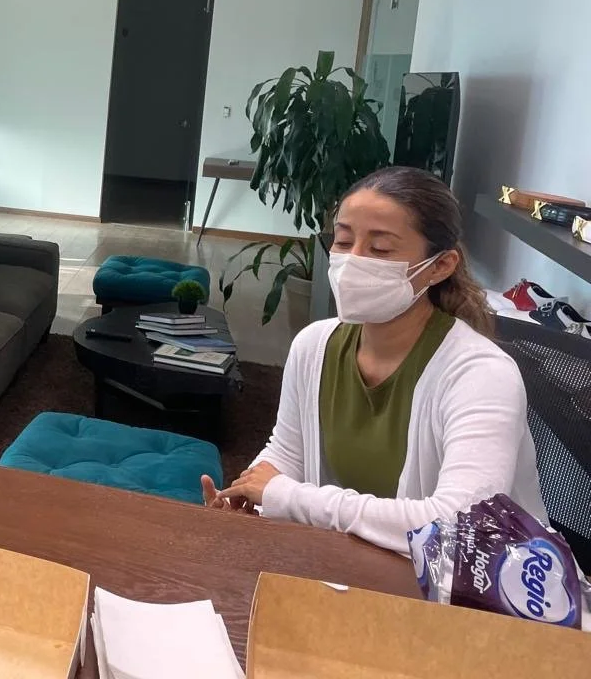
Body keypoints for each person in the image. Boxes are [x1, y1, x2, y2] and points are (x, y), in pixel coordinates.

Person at [202, 166, 546, 553]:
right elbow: (287, 450)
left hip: (478, 591)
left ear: (440, 266)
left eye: (380, 249)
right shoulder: (314, 345)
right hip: (354, 561)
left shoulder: (481, 375)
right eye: (344, 241)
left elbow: (460, 526)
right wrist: (251, 492)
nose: (354, 261)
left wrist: (288, 497)